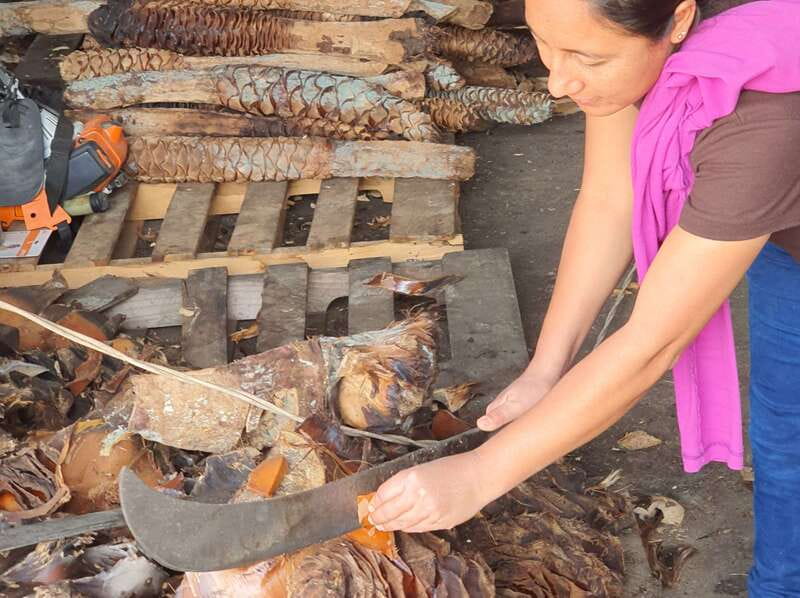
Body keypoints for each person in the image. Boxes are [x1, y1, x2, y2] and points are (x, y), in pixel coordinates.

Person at [367, 0, 800, 594]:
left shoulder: (762, 126)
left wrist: (479, 474)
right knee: (786, 424)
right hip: (785, 230)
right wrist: (547, 368)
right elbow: (609, 199)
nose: (559, 80)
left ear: (678, 20)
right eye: (545, 43)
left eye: (588, 58)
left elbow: (653, 342)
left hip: (777, 170)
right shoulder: (637, 60)